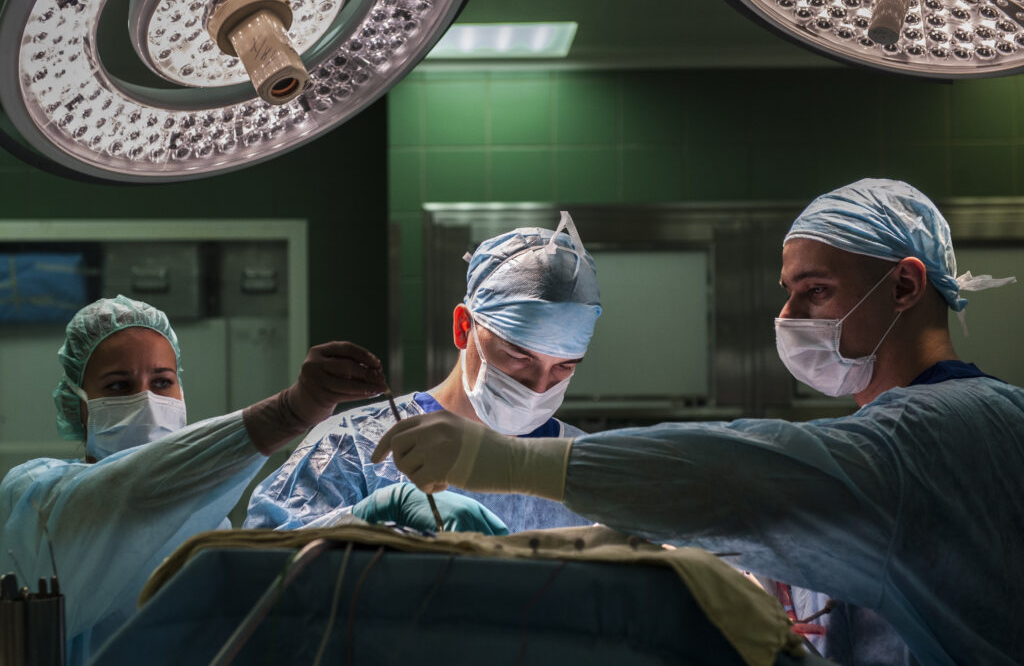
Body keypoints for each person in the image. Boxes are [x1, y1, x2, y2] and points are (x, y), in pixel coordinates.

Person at [372, 179, 1024, 666]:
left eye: (815, 290)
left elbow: (744, 478)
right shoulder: (925, 435)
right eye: (788, 290)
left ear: (905, 287)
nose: (790, 315)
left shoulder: (944, 433)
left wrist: (511, 464)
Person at [0, 295, 388, 666]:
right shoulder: (36, 493)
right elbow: (132, 493)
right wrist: (288, 412)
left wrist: (366, 516)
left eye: (163, 382)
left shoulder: (208, 515)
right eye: (119, 386)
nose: (147, 400)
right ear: (77, 405)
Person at [245, 211, 602, 534]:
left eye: (564, 366)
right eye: (518, 357)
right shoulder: (354, 446)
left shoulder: (591, 470)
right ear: (464, 328)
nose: (538, 388)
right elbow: (260, 564)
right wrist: (364, 522)